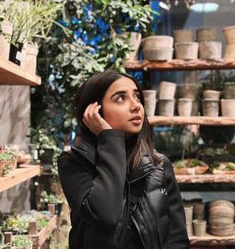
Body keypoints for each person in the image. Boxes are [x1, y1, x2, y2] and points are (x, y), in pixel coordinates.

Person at [57, 70, 189, 249]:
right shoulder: (73, 163)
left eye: (137, 97)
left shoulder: (159, 164)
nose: (136, 106)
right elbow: (105, 216)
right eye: (120, 98)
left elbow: (176, 238)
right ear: (94, 111)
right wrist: (110, 139)